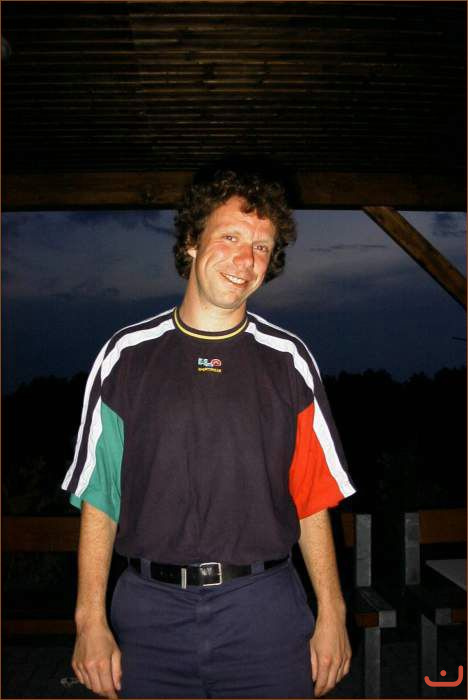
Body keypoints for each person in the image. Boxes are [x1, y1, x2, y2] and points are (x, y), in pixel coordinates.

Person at [62, 162, 356, 699]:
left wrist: (332, 614)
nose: (246, 260)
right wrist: (89, 622)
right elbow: (100, 496)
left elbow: (312, 496)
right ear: (192, 242)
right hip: (149, 614)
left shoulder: (289, 361)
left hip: (263, 610)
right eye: (231, 237)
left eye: (262, 247)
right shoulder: (126, 357)